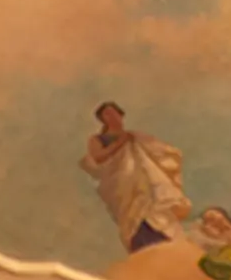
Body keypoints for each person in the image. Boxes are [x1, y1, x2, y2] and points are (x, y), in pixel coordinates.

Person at [83, 104, 193, 253]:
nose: (112, 117)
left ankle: (162, 238)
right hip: (121, 184)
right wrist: (120, 143)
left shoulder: (136, 137)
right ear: (102, 119)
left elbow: (157, 152)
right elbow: (98, 157)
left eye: (114, 113)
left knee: (153, 206)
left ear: (120, 115)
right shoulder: (98, 139)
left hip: (145, 181)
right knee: (133, 213)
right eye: (107, 114)